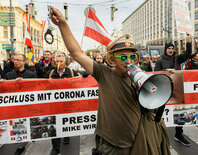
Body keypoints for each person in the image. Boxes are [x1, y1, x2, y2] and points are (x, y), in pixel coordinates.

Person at [49, 7, 170, 155]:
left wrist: (144, 93)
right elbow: (76, 53)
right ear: (112, 59)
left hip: (138, 141)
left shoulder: (142, 77)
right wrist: (62, 24)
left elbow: (151, 109)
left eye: (132, 57)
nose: (129, 61)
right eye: (123, 57)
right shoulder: (104, 74)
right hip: (112, 146)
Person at [154, 37, 192, 147]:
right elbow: (155, 73)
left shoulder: (177, 58)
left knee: (180, 114)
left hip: (177, 90)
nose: (171, 50)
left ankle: (179, 134)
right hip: (164, 91)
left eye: (172, 48)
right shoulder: (160, 60)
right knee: (159, 115)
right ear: (165, 49)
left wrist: (188, 41)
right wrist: (166, 71)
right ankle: (159, 135)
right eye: (169, 48)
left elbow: (188, 53)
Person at [0, 54, 36, 155]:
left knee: (26, 123)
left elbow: (35, 88)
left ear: (24, 62)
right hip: (14, 106)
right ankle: (20, 143)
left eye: (18, 60)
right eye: (14, 60)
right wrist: (2, 83)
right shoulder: (9, 75)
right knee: (17, 124)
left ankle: (25, 141)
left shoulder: (31, 74)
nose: (16, 62)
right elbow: (4, 89)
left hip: (27, 105)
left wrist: (24, 83)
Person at [46, 54, 77, 154]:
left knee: (65, 121)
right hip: (54, 104)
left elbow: (79, 84)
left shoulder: (72, 72)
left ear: (66, 62)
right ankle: (56, 148)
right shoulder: (50, 73)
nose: (59, 63)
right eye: (57, 61)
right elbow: (39, 84)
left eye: (61, 61)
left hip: (67, 103)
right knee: (54, 125)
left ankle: (66, 135)